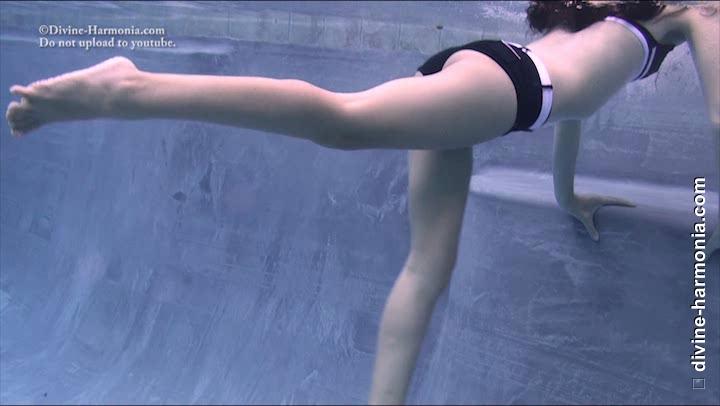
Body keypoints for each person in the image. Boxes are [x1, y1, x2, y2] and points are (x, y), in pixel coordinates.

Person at [5, 1, 718, 404]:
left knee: (427, 268)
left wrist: (567, 195)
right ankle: (129, 87)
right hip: (516, 88)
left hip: (507, 79)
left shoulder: (610, 29)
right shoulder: (692, 15)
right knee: (342, 122)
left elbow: (575, 109)